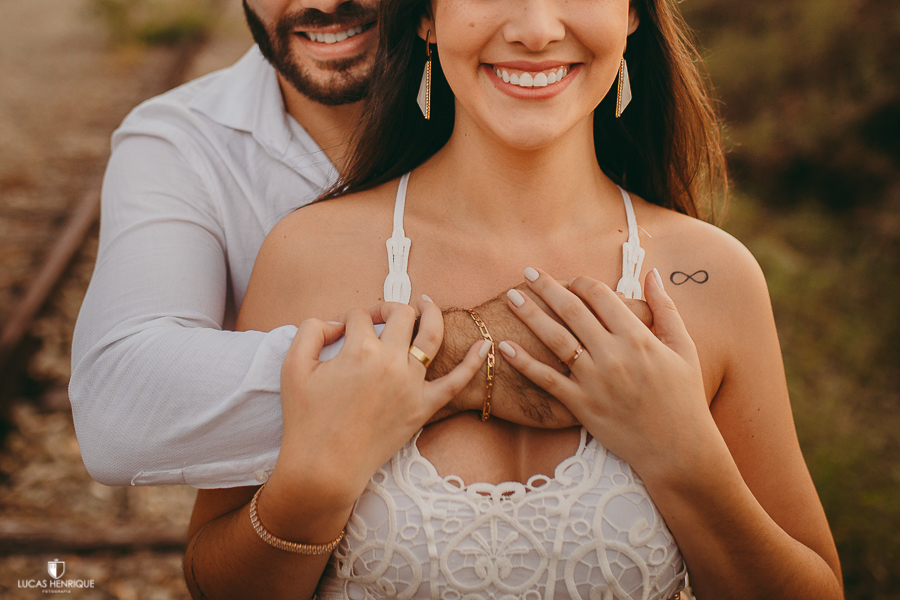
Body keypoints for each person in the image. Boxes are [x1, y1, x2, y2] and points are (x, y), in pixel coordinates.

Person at [184, 0, 844, 598]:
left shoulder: (715, 277)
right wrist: (314, 488)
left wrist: (688, 461)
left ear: (635, 14)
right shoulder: (308, 257)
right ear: (425, 18)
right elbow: (214, 581)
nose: (535, 29)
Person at [70, 0, 610, 489]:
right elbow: (117, 407)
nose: (325, 3)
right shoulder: (183, 144)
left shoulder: (544, 95)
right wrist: (460, 355)